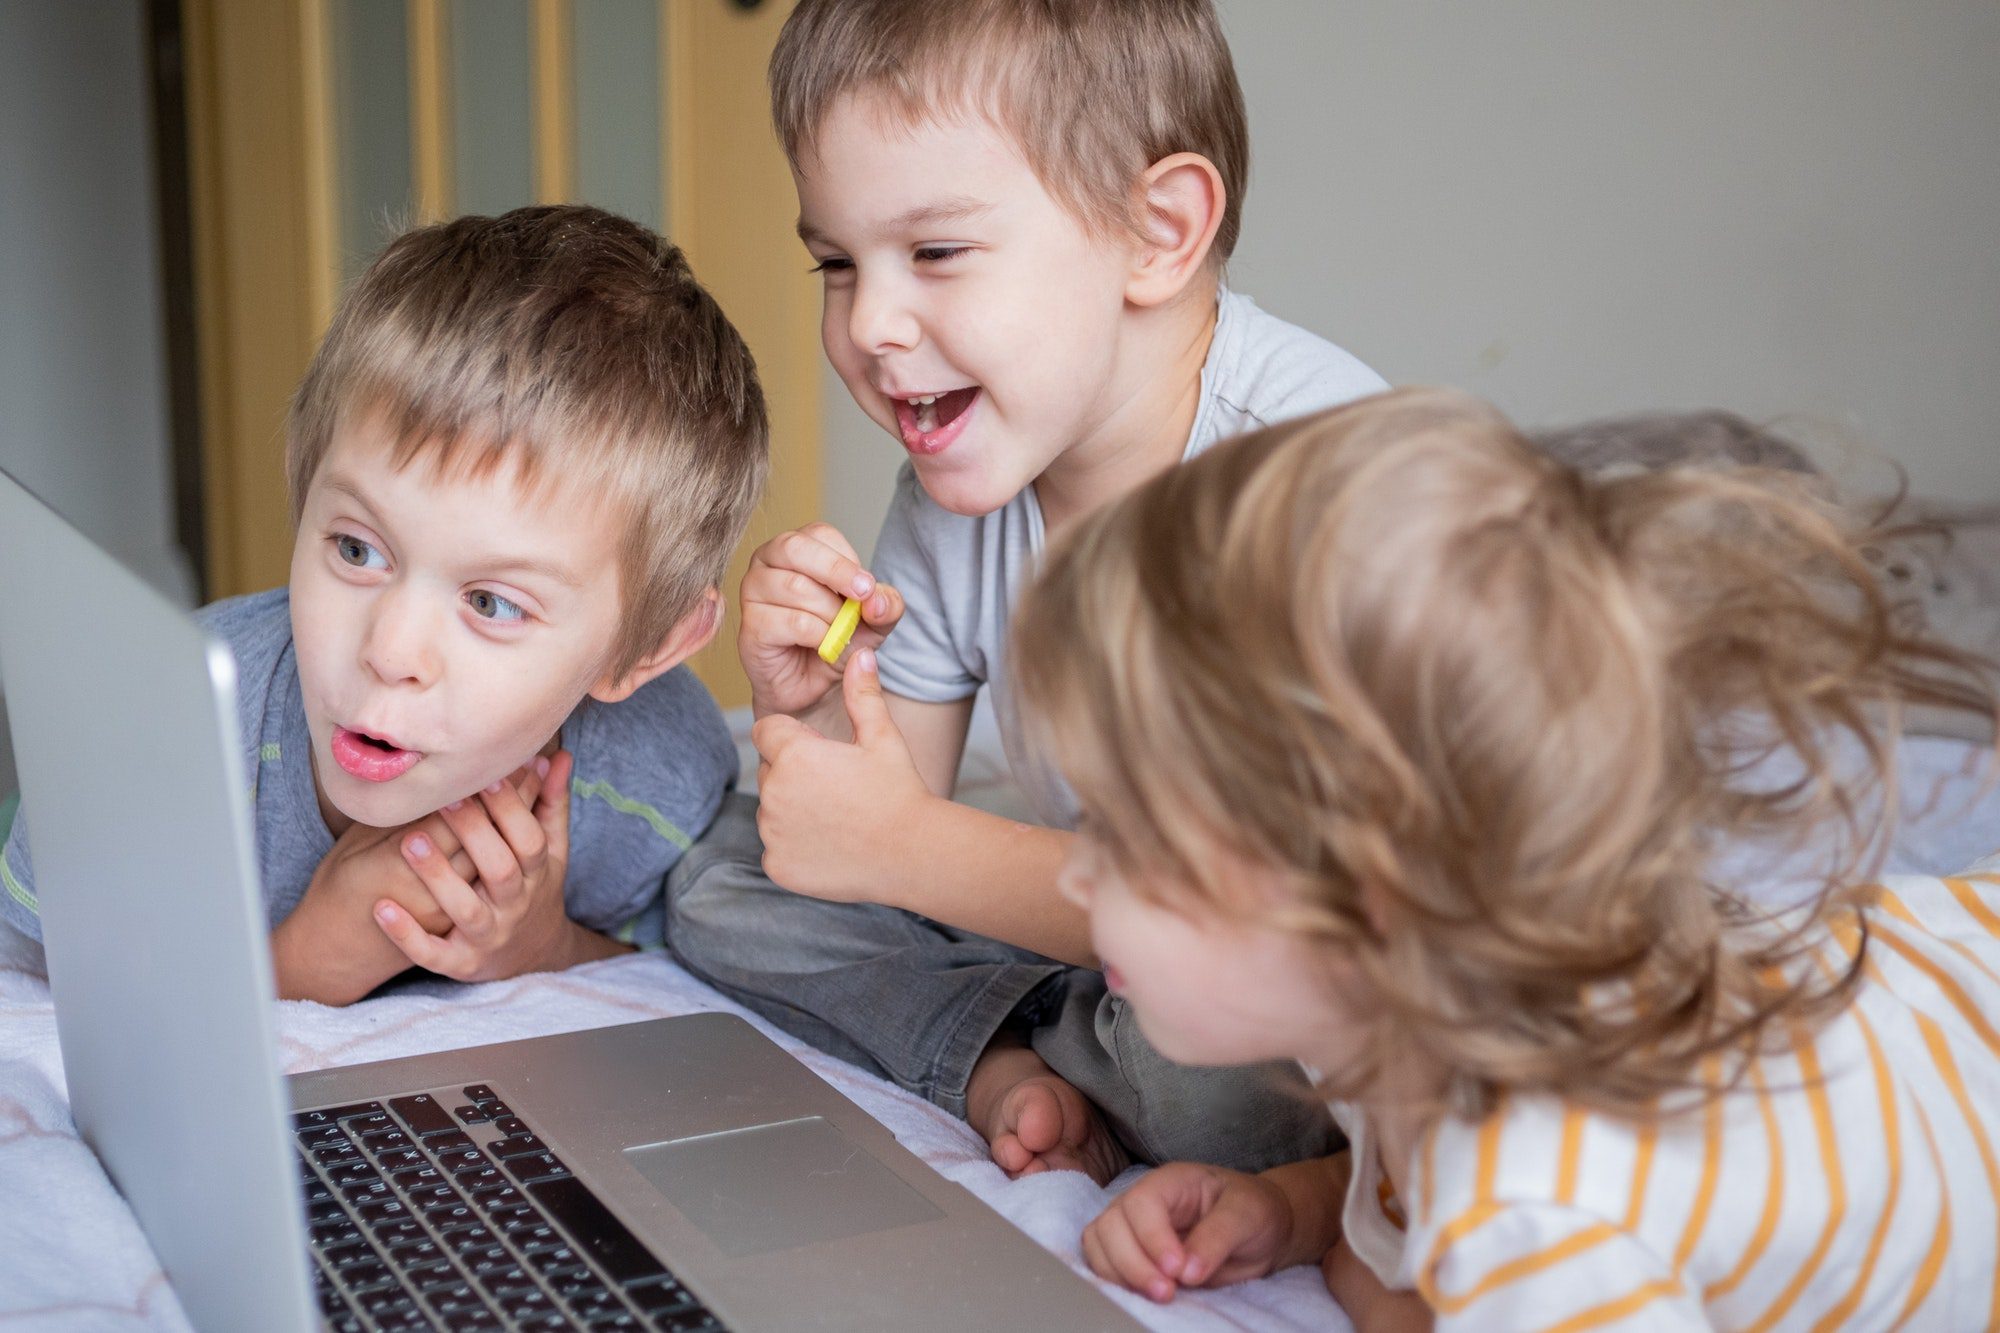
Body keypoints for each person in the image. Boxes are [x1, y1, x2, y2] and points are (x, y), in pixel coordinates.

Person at [1012, 387, 2000, 1329]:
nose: (1070, 872)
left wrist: (1383, 1281)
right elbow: (1419, 1173)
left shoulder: (1548, 1217)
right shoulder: (1417, 1002)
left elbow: (1489, 1226)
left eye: (1124, 834)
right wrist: (1304, 1209)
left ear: (1367, 891)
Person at [666, 0, 1385, 1184]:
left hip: (1292, 966)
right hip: (1096, 940)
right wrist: (805, 705)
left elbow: (1275, 934)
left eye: (934, 252)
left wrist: (904, 849)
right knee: (717, 879)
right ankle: (1011, 1050)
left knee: (1218, 1078)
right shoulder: (961, 481)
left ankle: (1020, 1034)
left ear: (1156, 231)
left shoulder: (1311, 484)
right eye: (837, 264)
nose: (871, 325)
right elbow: (865, 822)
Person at [0, 204, 767, 1007]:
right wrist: (306, 962)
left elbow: (687, 986)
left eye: (492, 603)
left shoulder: (656, 772)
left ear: (642, 650)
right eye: (357, 549)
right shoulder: (146, 733)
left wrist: (544, 947)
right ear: (304, 485)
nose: (391, 651)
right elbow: (44, 1021)